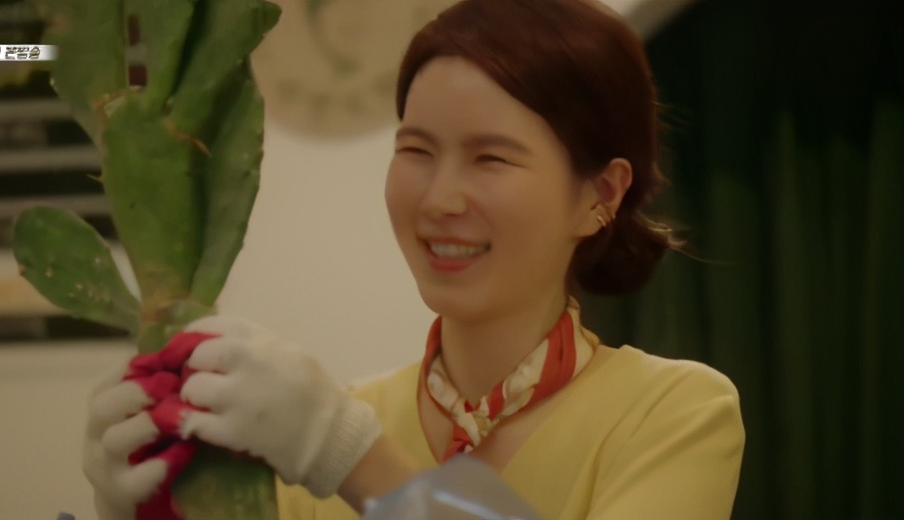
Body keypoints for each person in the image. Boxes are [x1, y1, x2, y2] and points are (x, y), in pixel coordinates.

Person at [82, 0, 746, 518]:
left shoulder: (673, 413)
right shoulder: (312, 424)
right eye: (417, 151)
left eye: (491, 157)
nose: (439, 198)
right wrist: (137, 507)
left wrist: (349, 457)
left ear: (600, 195)